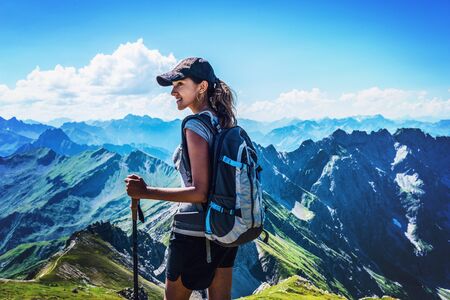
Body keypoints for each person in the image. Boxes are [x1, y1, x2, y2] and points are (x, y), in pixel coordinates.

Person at [124, 57, 238, 300]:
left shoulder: (195, 125)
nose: (173, 92)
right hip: (226, 227)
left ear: (202, 86)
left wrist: (144, 192)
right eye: (173, 85)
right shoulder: (224, 122)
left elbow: (199, 192)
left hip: (193, 232)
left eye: (180, 84)